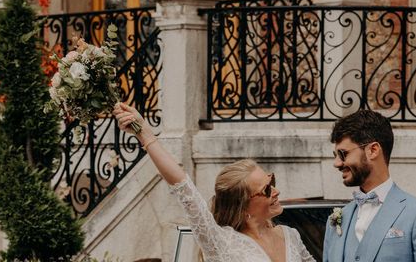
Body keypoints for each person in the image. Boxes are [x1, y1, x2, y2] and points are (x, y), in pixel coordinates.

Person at [113, 103, 315, 262]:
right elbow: (184, 187)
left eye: (272, 181)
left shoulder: (290, 236)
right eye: (267, 189)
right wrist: (145, 135)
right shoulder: (222, 242)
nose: (277, 191)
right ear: (244, 207)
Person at [323, 110, 416, 262]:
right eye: (335, 155)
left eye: (343, 154)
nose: (336, 163)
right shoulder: (337, 220)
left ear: (373, 150)